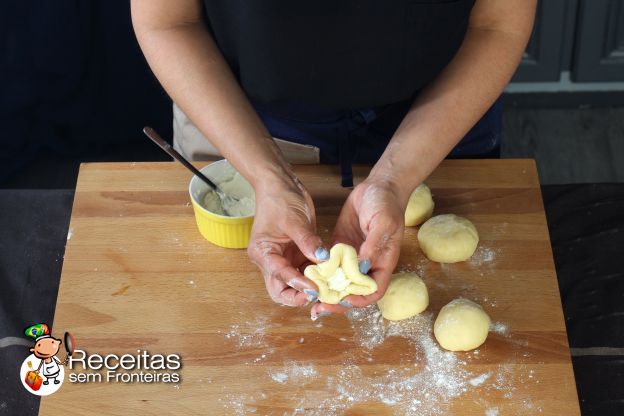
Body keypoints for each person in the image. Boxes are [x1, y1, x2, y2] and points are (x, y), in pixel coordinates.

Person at [131, 0, 536, 319]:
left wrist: (395, 180)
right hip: (239, 116)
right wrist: (267, 178)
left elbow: (497, 25)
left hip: (444, 114)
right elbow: (168, 21)